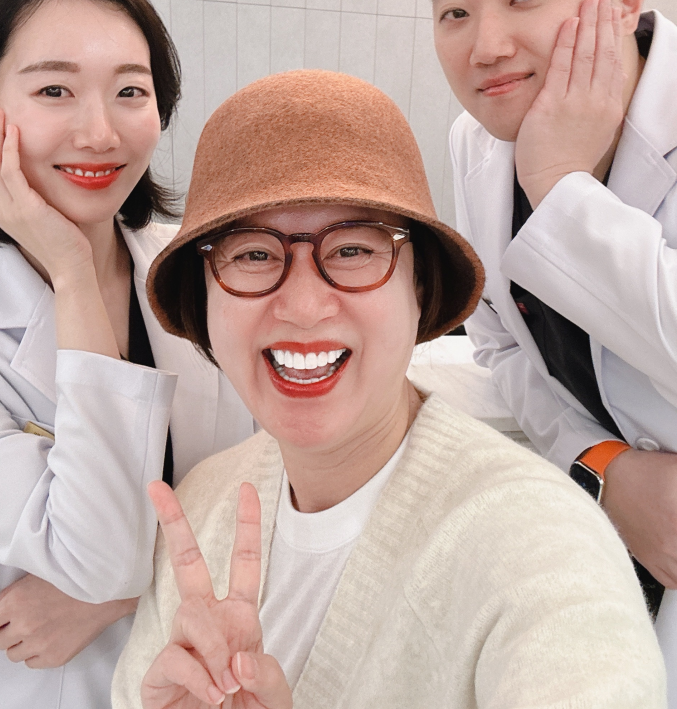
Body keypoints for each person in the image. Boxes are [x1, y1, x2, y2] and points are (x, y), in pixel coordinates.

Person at [112, 69, 664, 709]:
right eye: (253, 254)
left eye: (352, 250)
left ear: (419, 288)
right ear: (204, 296)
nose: (304, 306)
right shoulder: (201, 510)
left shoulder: (542, 544)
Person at [0, 0, 254, 709]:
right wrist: (69, 268)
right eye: (54, 90)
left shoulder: (205, 270)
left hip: (214, 676)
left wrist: (120, 595)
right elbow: (97, 556)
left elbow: (288, 471)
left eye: (130, 91)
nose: (100, 133)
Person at [418, 0, 677, 692]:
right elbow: (497, 343)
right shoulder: (476, 140)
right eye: (453, 11)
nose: (485, 44)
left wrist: (561, 185)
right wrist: (603, 468)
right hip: (599, 527)